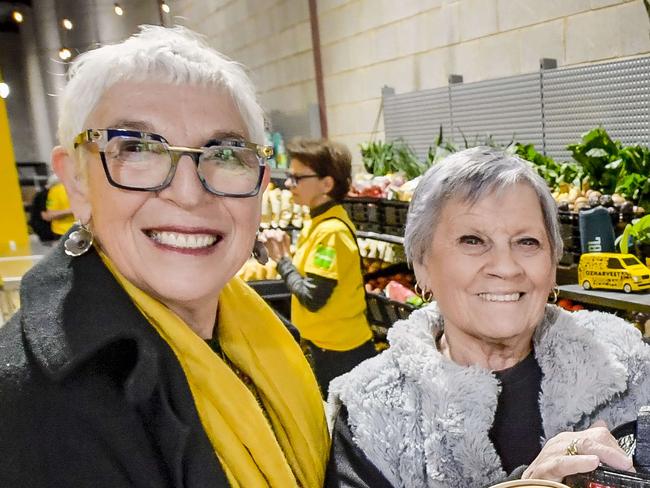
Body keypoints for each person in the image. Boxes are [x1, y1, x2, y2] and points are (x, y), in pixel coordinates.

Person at [0, 26, 329, 488]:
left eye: (226, 153)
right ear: (76, 180)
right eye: (137, 149)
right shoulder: (38, 405)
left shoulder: (264, 334)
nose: (189, 194)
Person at [326, 147, 650, 488]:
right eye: (473, 240)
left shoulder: (630, 367)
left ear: (553, 261)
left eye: (527, 242)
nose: (506, 268)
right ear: (421, 264)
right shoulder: (371, 411)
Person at [262, 139, 375, 397]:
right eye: (289, 177)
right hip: (328, 347)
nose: (289, 184)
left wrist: (282, 260)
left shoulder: (330, 232)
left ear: (327, 183)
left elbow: (313, 297)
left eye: (297, 178)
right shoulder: (318, 222)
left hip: (341, 354)